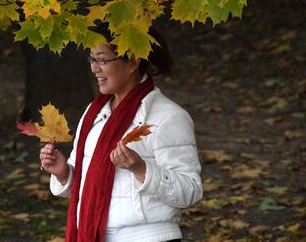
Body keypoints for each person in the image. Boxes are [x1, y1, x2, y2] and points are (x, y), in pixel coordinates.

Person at [39, 26, 202, 242]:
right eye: (92, 59)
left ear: (133, 62)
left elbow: (190, 191)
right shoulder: (94, 113)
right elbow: (87, 189)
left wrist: (142, 169)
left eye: (103, 60)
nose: (95, 68)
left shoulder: (169, 117)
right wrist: (63, 173)